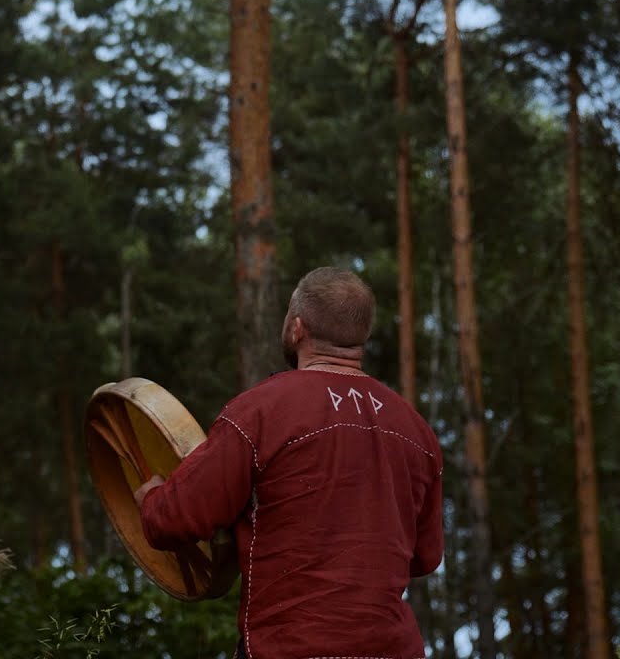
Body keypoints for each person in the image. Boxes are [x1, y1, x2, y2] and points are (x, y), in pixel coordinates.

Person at [135, 267, 444, 659]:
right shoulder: (418, 432)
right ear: (361, 338)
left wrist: (152, 498)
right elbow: (425, 556)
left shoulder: (260, 412)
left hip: (289, 648)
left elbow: (173, 520)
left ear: (297, 329)